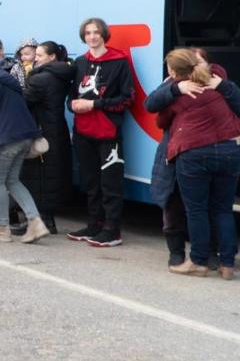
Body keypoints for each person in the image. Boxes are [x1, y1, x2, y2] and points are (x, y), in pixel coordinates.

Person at [144, 51, 240, 268]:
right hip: (227, 151)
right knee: (222, 209)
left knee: (195, 210)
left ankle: (197, 261)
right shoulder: (220, 84)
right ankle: (226, 263)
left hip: (189, 152)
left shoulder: (184, 90)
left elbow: (158, 115)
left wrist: (177, 90)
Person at [66, 17, 134, 247]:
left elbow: (127, 99)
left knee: (110, 183)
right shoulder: (79, 62)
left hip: (108, 132)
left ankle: (112, 230)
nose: (92, 36)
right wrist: (73, 104)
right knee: (90, 182)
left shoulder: (119, 61)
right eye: (88, 33)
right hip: (83, 131)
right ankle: (94, 224)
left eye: (96, 32)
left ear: (104, 34)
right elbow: (72, 95)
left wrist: (94, 105)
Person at [0, 49, 49, 244]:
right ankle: (35, 221)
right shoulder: (6, 79)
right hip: (24, 136)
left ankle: (2, 227)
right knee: (12, 181)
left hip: (4, 139)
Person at [22, 41, 73, 234]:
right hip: (57, 128)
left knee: (39, 175)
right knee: (51, 174)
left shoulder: (40, 79)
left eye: (40, 55)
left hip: (41, 129)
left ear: (52, 57)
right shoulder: (63, 75)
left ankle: (41, 220)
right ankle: (48, 219)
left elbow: (24, 101)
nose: (36, 59)